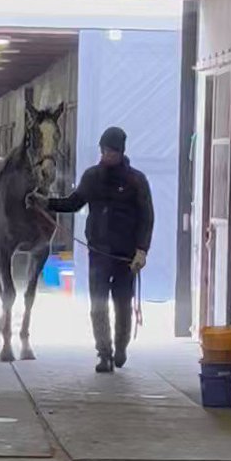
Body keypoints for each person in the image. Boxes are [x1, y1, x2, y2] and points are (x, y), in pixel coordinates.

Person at [45, 127, 154, 373]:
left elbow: (147, 217)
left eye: (112, 151)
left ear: (121, 151)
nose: (107, 155)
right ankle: (103, 353)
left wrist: (142, 250)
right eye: (104, 150)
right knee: (98, 305)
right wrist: (47, 202)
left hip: (127, 256)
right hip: (99, 251)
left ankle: (121, 346)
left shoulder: (136, 180)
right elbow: (74, 202)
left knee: (123, 304)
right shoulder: (92, 177)